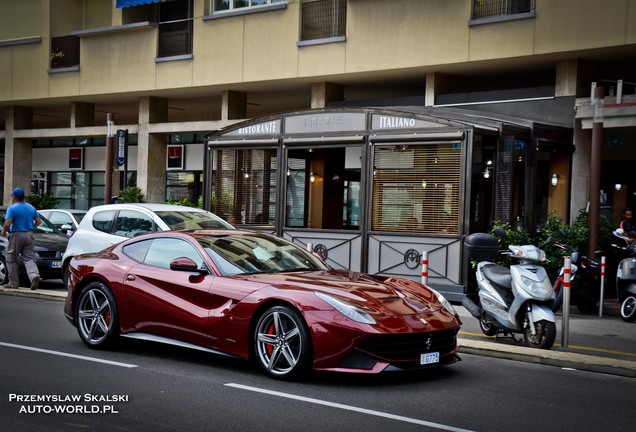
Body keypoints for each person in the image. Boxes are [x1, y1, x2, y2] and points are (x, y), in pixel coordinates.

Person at [1, 188, 42, 290]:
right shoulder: (31, 207)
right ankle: (34, 276)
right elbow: (38, 221)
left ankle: (13, 283)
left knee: (11, 258)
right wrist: (32, 228)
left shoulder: (12, 208)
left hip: (17, 234)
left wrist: (4, 231)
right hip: (29, 235)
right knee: (29, 258)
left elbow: (7, 223)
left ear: (14, 196)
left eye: (12, 196)